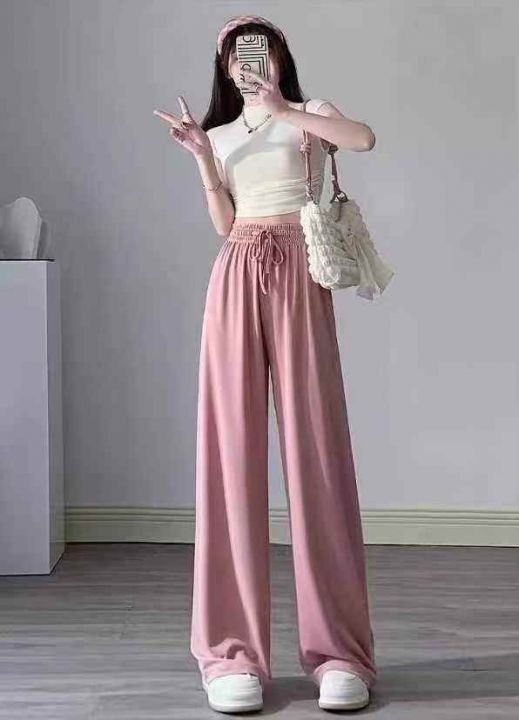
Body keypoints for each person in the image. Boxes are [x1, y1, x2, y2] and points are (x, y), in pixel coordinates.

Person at [154, 15, 378, 714]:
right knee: (230, 457)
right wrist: (202, 156)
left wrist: (282, 108)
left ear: (280, 56)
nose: (250, 60)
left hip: (300, 277)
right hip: (236, 273)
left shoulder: (309, 113)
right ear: (224, 67)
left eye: (262, 47)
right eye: (237, 52)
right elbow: (225, 224)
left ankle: (339, 653)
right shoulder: (220, 134)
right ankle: (231, 654)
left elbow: (363, 139)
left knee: (317, 452)